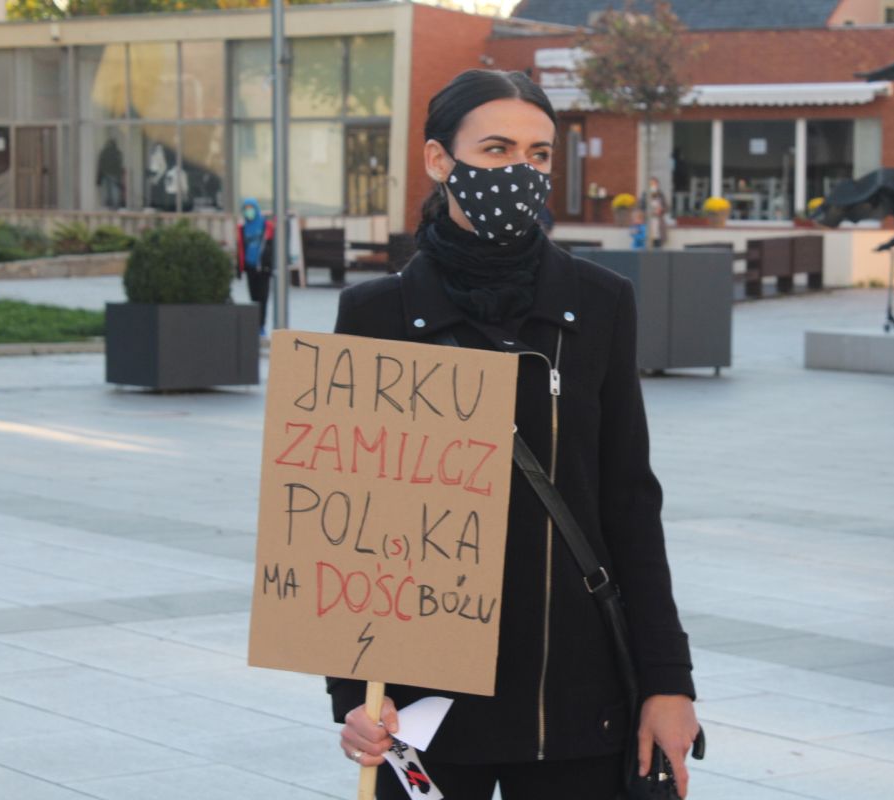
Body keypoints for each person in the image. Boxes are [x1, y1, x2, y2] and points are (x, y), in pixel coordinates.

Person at [326, 69, 700, 799]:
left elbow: (629, 502)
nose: (519, 172)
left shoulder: (601, 305)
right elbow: (350, 529)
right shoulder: (375, 315)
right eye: (495, 149)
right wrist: (351, 700)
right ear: (440, 160)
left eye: (537, 155)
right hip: (423, 714)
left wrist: (668, 683)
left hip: (577, 707)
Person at [236, 198, 274, 334]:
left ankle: (261, 326)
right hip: (250, 268)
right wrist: (239, 269)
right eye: (246, 209)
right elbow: (240, 248)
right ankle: (255, 324)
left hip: (264, 269)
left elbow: (272, 246)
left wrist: (270, 264)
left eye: (251, 208)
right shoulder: (243, 228)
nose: (249, 212)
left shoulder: (266, 226)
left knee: (263, 298)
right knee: (253, 298)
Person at [641, 177, 668, 248]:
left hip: (658, 221)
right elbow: (641, 207)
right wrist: (648, 212)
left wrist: (661, 209)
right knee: (647, 241)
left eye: (655, 184)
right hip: (648, 221)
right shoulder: (645, 195)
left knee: (658, 242)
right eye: (651, 184)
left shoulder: (661, 194)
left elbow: (666, 207)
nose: (653, 185)